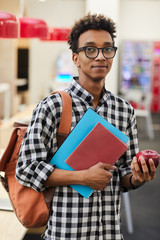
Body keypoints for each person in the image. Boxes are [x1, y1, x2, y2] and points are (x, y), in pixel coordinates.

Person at [16, 13, 156, 240]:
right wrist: (82, 177)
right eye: (90, 49)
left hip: (109, 233)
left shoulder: (124, 110)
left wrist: (137, 178)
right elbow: (26, 169)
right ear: (75, 58)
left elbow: (123, 175)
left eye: (107, 49)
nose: (100, 56)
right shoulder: (53, 106)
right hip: (66, 233)